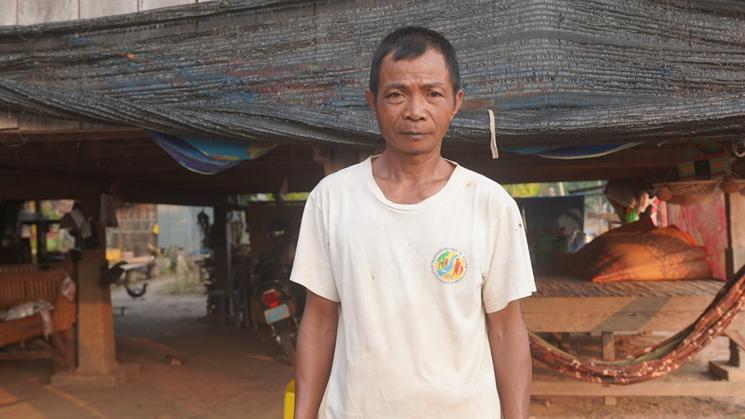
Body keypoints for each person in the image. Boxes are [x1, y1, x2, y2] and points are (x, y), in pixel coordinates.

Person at [291, 27, 536, 419]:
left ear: (456, 102)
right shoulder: (332, 199)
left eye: (432, 93)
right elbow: (319, 321)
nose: (415, 111)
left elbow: (507, 329)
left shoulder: (489, 204)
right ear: (372, 102)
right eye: (396, 94)